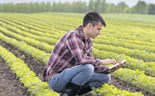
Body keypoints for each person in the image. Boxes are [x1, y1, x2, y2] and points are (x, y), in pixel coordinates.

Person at [43, 11, 117, 96]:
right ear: (89, 26)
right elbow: (81, 60)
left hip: (70, 79)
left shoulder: (88, 41)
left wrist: (109, 69)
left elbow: (92, 63)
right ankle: (71, 94)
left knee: (105, 78)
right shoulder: (73, 36)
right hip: (56, 79)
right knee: (87, 68)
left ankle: (69, 93)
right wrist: (101, 61)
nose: (99, 33)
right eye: (98, 29)